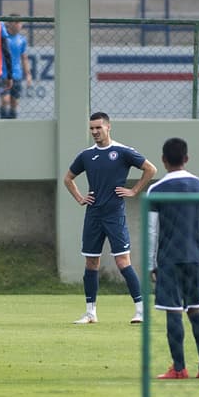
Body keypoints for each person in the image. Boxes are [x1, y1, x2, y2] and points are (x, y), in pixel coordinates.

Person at [63, 111, 157, 325]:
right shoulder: (86, 155)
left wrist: (134, 191)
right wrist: (79, 197)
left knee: (123, 261)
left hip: (115, 215)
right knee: (91, 261)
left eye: (98, 127)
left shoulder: (122, 152)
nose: (95, 132)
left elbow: (150, 169)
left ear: (108, 127)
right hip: (93, 215)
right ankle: (90, 313)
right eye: (92, 128)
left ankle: (141, 311)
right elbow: (68, 178)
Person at [147, 137, 199, 380]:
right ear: (186, 159)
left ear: (163, 160)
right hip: (193, 259)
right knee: (196, 309)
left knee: (173, 311)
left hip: (168, 260)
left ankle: (179, 368)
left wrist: (149, 264)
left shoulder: (156, 190)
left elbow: (151, 231)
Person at [0, 15, 32, 119]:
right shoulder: (3, 38)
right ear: (9, 24)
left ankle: (12, 124)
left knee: (14, 103)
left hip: (17, 75)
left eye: (20, 23)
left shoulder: (22, 40)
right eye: (16, 22)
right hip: (3, 74)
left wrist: (28, 74)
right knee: (5, 100)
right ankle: (2, 123)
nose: (19, 25)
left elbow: (24, 58)